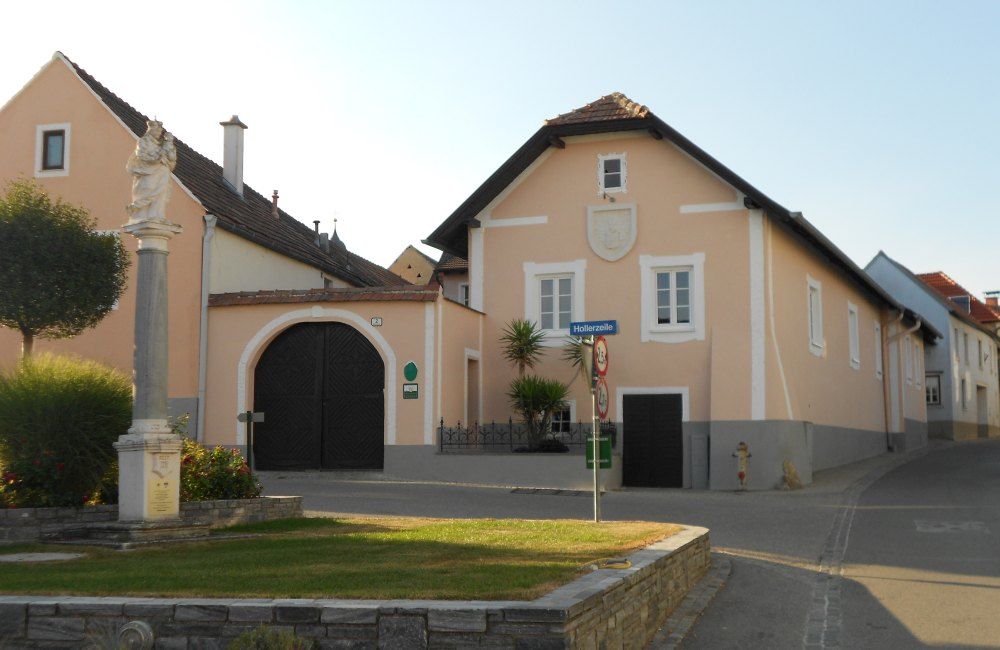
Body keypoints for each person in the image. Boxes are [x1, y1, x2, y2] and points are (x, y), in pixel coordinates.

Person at [126, 120, 177, 222]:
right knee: (147, 189)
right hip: (148, 172)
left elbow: (171, 158)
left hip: (161, 173)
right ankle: (142, 214)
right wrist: (158, 157)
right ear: (151, 130)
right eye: (157, 131)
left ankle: (157, 215)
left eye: (160, 132)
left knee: (160, 194)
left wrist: (169, 142)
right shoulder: (143, 141)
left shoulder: (161, 144)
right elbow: (142, 155)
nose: (159, 133)